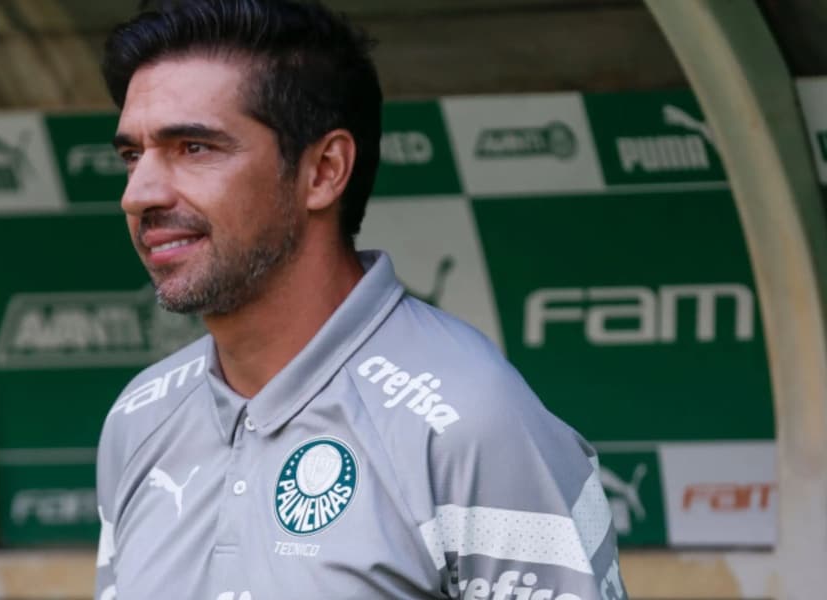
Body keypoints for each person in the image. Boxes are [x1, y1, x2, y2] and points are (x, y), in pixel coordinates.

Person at [95, 1, 628, 598]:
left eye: (194, 147)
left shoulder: (470, 426)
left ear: (324, 171)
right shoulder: (139, 416)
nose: (138, 193)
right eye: (132, 155)